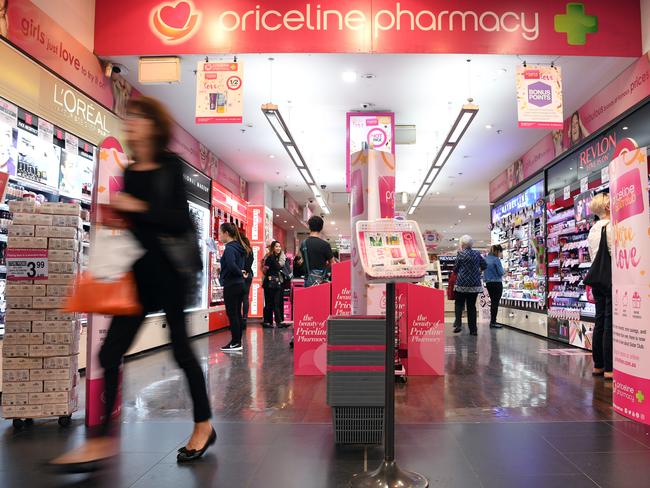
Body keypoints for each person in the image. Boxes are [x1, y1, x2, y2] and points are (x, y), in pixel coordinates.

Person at [50, 96, 214, 468]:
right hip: (139, 276)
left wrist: (136, 207)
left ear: (154, 126)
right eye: (130, 119)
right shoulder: (134, 171)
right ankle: (102, 441)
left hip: (173, 273)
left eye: (139, 118)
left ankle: (203, 425)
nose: (132, 124)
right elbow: (136, 229)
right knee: (109, 354)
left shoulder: (169, 166)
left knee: (181, 351)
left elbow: (177, 221)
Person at [587, 193, 613, 379]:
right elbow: (614, 252)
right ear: (607, 207)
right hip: (611, 278)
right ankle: (610, 368)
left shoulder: (592, 230)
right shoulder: (610, 227)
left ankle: (598, 365)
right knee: (609, 322)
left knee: (599, 320)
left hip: (597, 279)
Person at [219, 222, 248, 351]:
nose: (219, 236)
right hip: (240, 285)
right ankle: (237, 341)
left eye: (220, 233)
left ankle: (236, 342)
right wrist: (241, 272)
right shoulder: (239, 247)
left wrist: (238, 272)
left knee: (232, 314)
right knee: (236, 313)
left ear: (226, 233)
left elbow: (231, 265)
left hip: (232, 285)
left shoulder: (230, 248)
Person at [453, 235, 487, 336]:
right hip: (474, 284)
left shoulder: (461, 254)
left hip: (461, 283)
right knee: (471, 306)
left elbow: (455, 268)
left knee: (459, 304)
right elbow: (484, 265)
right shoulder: (477, 254)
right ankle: (473, 330)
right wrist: (478, 272)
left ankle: (458, 324)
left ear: (462, 244)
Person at [297, 216, 334, 287]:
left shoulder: (303, 244)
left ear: (309, 227)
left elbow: (303, 260)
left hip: (307, 280)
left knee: (307, 297)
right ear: (321, 228)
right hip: (321, 281)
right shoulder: (325, 245)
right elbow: (332, 263)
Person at [262, 240, 286, 328]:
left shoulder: (274, 257)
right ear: (272, 248)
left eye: (279, 246)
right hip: (269, 283)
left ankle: (277, 321)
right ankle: (267, 321)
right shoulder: (270, 257)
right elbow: (273, 268)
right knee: (269, 303)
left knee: (275, 303)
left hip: (275, 283)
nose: (278, 248)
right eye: (276, 246)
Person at [484, 245, 505, 329]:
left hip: (488, 283)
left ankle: (492, 321)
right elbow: (501, 272)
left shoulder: (486, 259)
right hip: (496, 283)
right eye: (500, 252)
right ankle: (493, 322)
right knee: (495, 302)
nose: (501, 254)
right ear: (497, 251)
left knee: (493, 301)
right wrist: (505, 271)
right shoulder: (496, 260)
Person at [240, 234, 254, 330]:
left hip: (241, 274)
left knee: (238, 298)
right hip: (249, 274)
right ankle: (245, 318)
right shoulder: (250, 251)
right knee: (245, 297)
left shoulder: (240, 250)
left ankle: (238, 320)